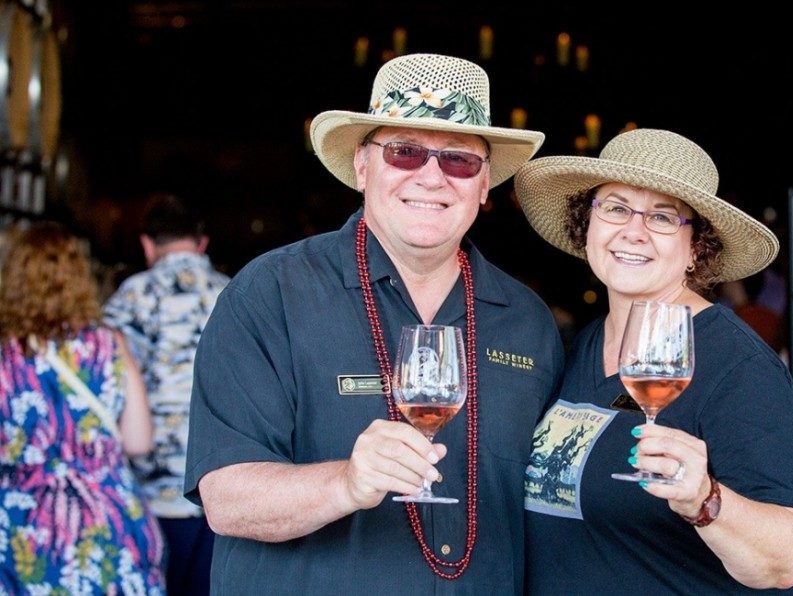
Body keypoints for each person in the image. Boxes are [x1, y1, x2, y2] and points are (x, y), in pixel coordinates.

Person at [183, 53, 564, 593]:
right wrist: (349, 482)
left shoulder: (528, 322)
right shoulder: (269, 294)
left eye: (458, 160)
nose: (431, 178)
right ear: (363, 166)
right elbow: (227, 499)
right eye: (405, 152)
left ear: (484, 186)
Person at [514, 129, 793, 593]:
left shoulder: (737, 364)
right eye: (615, 207)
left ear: (696, 249)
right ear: (586, 225)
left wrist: (704, 498)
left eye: (663, 217)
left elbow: (782, 561)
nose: (633, 231)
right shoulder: (579, 348)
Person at [0, 222, 165, 593]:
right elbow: (139, 441)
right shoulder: (109, 344)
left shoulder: (5, 356)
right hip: (102, 520)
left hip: (20, 526)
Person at [103, 194, 229, 595]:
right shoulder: (237, 294)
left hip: (152, 488)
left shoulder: (131, 297)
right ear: (202, 242)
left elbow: (106, 382)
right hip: (221, 483)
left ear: (146, 243)